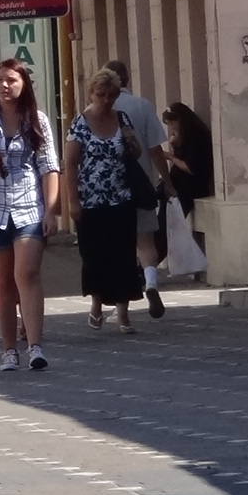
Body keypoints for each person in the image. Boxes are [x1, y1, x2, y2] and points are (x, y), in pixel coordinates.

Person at [0, 60, 60, 372]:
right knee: (3, 281)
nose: (5, 86)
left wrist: (52, 210)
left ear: (24, 84)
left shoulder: (37, 121)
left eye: (12, 80)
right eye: (0, 80)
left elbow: (49, 167)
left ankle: (35, 346)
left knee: (27, 273)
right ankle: (8, 350)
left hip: (29, 206)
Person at [66, 70, 146, 334]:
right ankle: (97, 303)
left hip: (120, 197)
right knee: (95, 256)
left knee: (123, 255)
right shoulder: (80, 123)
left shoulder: (121, 118)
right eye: (101, 95)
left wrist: (132, 142)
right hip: (90, 201)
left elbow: (135, 153)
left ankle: (123, 314)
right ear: (91, 93)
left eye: (111, 95)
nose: (106, 100)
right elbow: (70, 163)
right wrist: (73, 201)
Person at [104, 60, 170, 319]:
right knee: (145, 241)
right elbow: (155, 149)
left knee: (120, 246)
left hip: (110, 188)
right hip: (141, 184)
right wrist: (167, 181)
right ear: (128, 79)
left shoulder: (97, 110)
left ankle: (122, 307)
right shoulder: (142, 105)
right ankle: (151, 282)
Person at [161, 103, 215, 214]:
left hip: (191, 187)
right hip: (179, 183)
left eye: (172, 124)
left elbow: (191, 167)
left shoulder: (198, 137)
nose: (171, 128)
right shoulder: (184, 137)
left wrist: (170, 157)